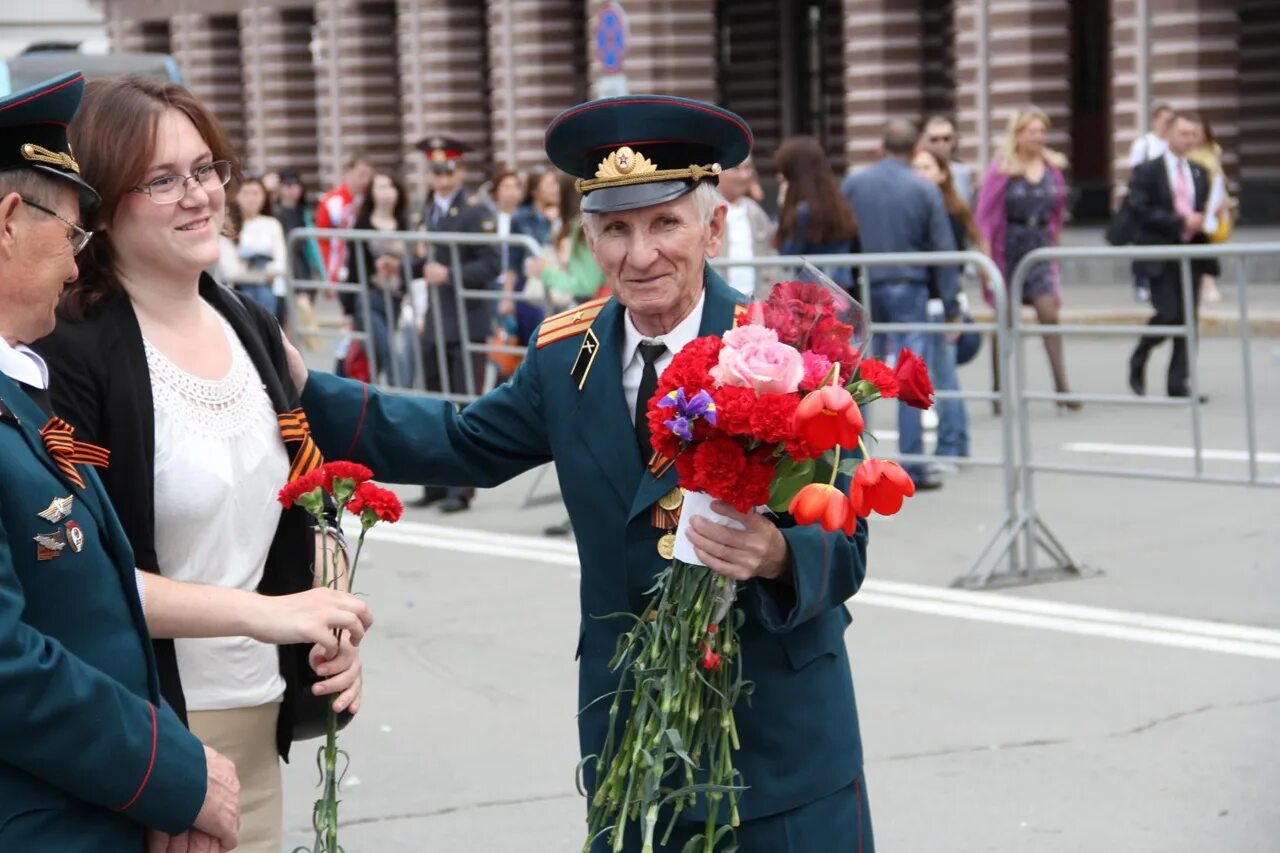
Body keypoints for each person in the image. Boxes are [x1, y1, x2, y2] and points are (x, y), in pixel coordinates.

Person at [283, 94, 874, 853]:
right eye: (617, 229)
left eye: (665, 222)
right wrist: (304, 388)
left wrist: (779, 553)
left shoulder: (786, 351)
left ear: (714, 228)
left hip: (779, 747)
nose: (640, 253)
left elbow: (849, 540)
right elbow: (462, 444)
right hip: (633, 745)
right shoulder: (566, 357)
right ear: (589, 238)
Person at [35, 74, 371, 853]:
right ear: (103, 203)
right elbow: (83, 575)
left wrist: (331, 614)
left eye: (206, 168)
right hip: (151, 736)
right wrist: (268, 614)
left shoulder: (244, 317)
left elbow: (306, 495)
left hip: (262, 718)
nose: (198, 194)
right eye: (162, 179)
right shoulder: (71, 352)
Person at [0, 69, 241, 853]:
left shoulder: (18, 386)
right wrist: (176, 776)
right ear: (8, 221)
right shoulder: (57, 367)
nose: (75, 266)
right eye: (70, 234)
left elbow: (97, 616)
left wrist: (165, 787)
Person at [842, 119, 958, 490]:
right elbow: (943, 249)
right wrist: (951, 303)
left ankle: (855, 461)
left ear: (882, 146)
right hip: (910, 284)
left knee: (860, 374)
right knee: (910, 376)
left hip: (864, 285)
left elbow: (846, 236)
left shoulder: (856, 184)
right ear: (915, 149)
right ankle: (913, 464)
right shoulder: (924, 189)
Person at [411, 135, 501, 513]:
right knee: (433, 405)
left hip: (466, 322)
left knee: (464, 407)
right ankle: (435, 481)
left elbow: (492, 263)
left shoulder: (475, 210)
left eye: (447, 169)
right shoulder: (428, 209)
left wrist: (449, 273)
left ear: (460, 170)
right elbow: (422, 260)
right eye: (435, 170)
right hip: (435, 320)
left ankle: (461, 488)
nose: (441, 177)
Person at [974, 106, 1077, 411]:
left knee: (1049, 311)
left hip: (1040, 246)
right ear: (1018, 135)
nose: (1038, 137)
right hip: (1009, 246)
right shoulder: (1003, 169)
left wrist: (1055, 251)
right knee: (1004, 319)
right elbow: (985, 217)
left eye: (1042, 131)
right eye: (1032, 131)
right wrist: (986, 258)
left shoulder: (1052, 169)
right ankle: (999, 391)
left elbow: (1057, 216)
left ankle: (1062, 387)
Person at [1126, 111, 1212, 400]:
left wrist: (1209, 218)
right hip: (1160, 253)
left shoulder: (1200, 172)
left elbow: (1204, 208)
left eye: (1193, 135)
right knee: (1170, 313)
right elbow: (1139, 208)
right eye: (1183, 134)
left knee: (1189, 318)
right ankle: (1141, 354)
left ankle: (1178, 383)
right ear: (1169, 135)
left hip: (1192, 254)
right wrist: (1179, 221)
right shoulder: (1148, 171)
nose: (1188, 140)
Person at [912, 147, 981, 462]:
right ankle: (957, 442)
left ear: (942, 173)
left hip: (943, 303)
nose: (921, 174)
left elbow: (949, 265)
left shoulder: (949, 211)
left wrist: (954, 311)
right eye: (916, 168)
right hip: (933, 302)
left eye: (927, 167)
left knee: (944, 377)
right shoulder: (926, 207)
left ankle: (951, 445)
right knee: (941, 376)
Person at [344, 171, 411, 386]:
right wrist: (347, 310)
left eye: (391, 186)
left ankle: (368, 405)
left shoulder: (404, 223)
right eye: (381, 187)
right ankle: (401, 400)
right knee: (390, 351)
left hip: (396, 299)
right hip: (369, 298)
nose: (387, 192)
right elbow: (353, 268)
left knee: (378, 357)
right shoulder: (362, 225)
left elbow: (416, 262)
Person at [774, 135, 858, 290]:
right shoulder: (839, 206)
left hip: (812, 295)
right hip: (841, 290)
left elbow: (787, 256)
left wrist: (783, 210)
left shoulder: (802, 213)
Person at [218, 174, 287, 321]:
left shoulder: (272, 224)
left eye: (256, 193)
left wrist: (250, 266)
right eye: (246, 193)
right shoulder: (228, 227)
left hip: (269, 295)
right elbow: (231, 272)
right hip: (238, 293)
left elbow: (280, 266)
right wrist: (263, 271)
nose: (251, 198)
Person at [1127, 102, 1175, 303]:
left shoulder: (1173, 144)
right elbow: (1134, 173)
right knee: (1143, 243)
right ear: (1156, 120)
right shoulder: (1144, 144)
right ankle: (1140, 282)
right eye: (1166, 120)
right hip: (1146, 203)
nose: (1168, 125)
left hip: (1168, 203)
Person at [714, 155, 775, 296]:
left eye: (748, 168)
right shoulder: (705, 210)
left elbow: (770, 257)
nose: (744, 175)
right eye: (736, 168)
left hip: (755, 304)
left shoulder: (756, 212)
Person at [1187, 117, 1228, 303]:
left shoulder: (1214, 150)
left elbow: (1219, 175)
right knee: (1202, 244)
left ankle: (1206, 281)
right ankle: (1207, 283)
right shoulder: (1187, 153)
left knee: (1210, 242)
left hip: (1213, 201)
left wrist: (1222, 200)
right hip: (1197, 204)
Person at [315, 154, 373, 284]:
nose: (365, 181)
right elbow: (322, 241)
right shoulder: (331, 201)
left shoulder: (370, 202)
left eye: (369, 177)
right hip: (336, 269)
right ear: (349, 171)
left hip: (362, 269)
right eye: (361, 174)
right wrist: (326, 274)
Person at [920, 115, 977, 207]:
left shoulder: (962, 171)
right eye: (934, 139)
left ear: (954, 141)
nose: (941, 144)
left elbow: (966, 206)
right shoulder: (916, 171)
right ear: (923, 140)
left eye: (946, 139)